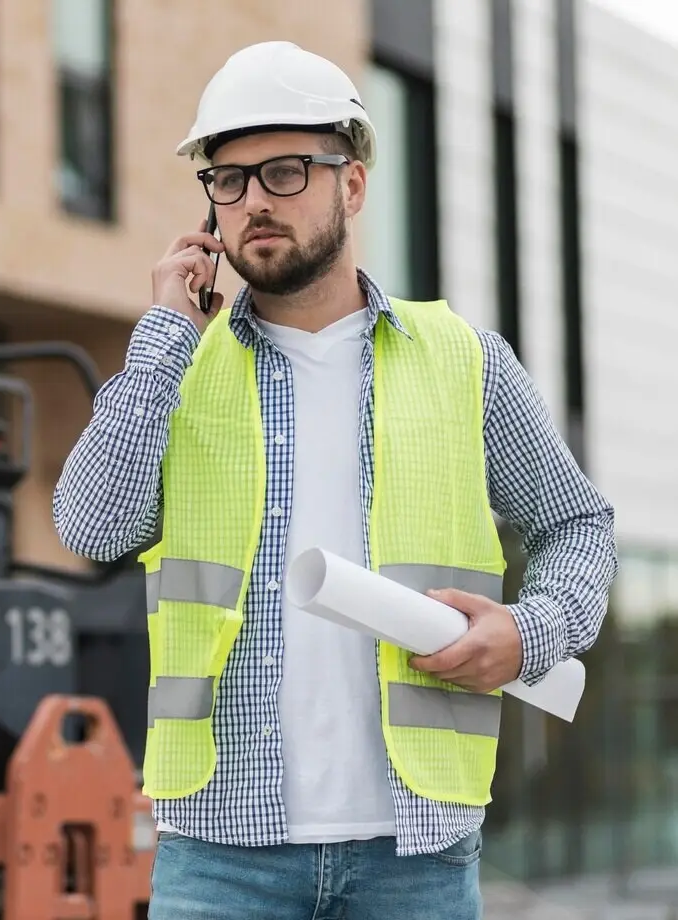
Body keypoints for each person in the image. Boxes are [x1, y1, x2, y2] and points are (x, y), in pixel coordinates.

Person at [52, 40, 618, 920]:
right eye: (227, 181)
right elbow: (90, 526)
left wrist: (530, 632)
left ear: (351, 186)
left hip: (416, 854)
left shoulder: (464, 362)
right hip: (220, 854)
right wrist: (164, 332)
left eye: (283, 172)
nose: (252, 203)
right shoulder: (176, 370)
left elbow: (577, 524)